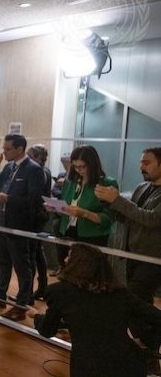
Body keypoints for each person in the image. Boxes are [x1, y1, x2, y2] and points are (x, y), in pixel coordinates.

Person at [31, 243, 161, 377]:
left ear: (79, 263)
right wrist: (147, 342)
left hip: (89, 368)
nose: (64, 260)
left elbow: (47, 330)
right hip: (129, 364)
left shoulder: (59, 292)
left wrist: (36, 316)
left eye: (69, 256)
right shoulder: (120, 293)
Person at [95, 147, 161, 375]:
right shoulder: (143, 188)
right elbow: (128, 217)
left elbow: (150, 220)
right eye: (141, 162)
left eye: (147, 162)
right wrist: (107, 202)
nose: (141, 166)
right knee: (141, 305)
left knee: (130, 301)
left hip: (152, 259)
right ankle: (148, 351)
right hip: (133, 254)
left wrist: (118, 201)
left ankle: (150, 347)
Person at [0, 134, 44, 321]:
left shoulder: (33, 169)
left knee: (22, 265)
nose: (4, 152)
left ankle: (21, 305)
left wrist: (9, 199)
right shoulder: (8, 167)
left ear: (20, 149)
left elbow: (34, 200)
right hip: (1, 219)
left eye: (8, 149)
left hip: (19, 223)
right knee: (3, 261)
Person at [52, 145, 117, 248]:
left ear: (92, 164)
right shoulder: (69, 182)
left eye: (83, 166)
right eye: (75, 167)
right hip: (66, 232)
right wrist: (56, 208)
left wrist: (84, 213)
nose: (79, 170)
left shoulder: (107, 183)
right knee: (65, 263)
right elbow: (66, 207)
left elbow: (109, 219)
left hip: (92, 236)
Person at [26, 144, 51, 300]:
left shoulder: (39, 171)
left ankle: (29, 291)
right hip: (39, 215)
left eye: (29, 156)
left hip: (35, 216)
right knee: (36, 252)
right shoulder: (45, 170)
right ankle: (41, 286)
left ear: (36, 157)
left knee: (32, 252)